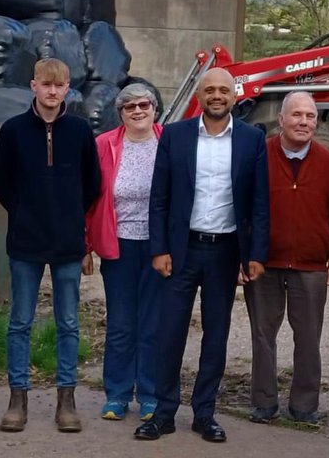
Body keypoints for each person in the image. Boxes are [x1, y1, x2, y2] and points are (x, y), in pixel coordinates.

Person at [134, 67, 270, 444]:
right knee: (170, 332)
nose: (216, 95)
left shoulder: (252, 139)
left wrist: (255, 253)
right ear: (199, 95)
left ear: (234, 95)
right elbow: (159, 197)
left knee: (216, 334)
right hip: (181, 251)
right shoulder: (175, 135)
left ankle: (204, 413)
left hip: (225, 252)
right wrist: (159, 248)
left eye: (223, 90)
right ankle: (163, 413)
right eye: (209, 89)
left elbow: (259, 203)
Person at [0, 57, 102, 434]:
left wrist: (70, 216)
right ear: (34, 86)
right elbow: (1, 181)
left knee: (68, 322)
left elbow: (92, 183)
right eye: (46, 84)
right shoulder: (14, 130)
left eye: (59, 85)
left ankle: (66, 399)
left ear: (68, 88)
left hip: (68, 243)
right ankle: (17, 398)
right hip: (26, 242)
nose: (52, 91)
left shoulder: (80, 131)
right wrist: (24, 211)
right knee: (20, 321)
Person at [245, 91, 329, 426]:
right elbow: (243, 211)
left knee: (308, 337)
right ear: (281, 120)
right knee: (263, 335)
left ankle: (304, 405)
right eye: (296, 115)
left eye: (310, 116)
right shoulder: (259, 156)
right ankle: (264, 402)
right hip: (264, 264)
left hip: (311, 265)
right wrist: (243, 256)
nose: (303, 122)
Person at [85, 82, 165, 422]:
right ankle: (117, 394)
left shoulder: (169, 142)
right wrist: (86, 245)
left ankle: (150, 395)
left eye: (144, 105)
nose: (138, 111)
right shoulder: (104, 144)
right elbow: (89, 197)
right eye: (129, 106)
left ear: (155, 109)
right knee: (120, 322)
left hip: (158, 247)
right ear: (120, 114)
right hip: (118, 245)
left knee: (153, 323)